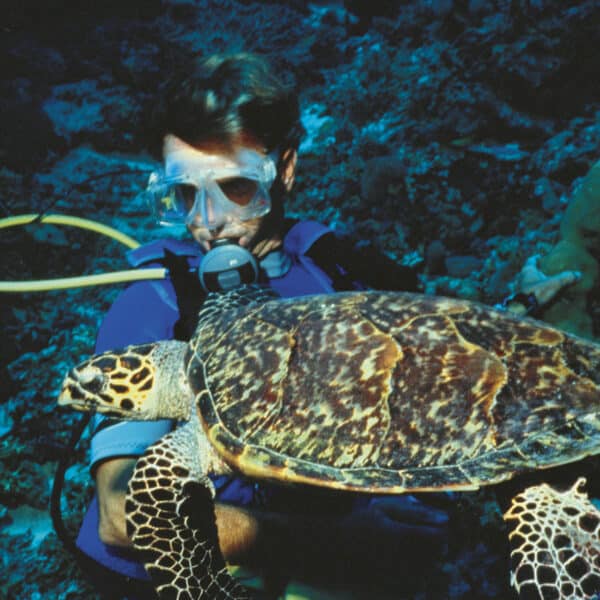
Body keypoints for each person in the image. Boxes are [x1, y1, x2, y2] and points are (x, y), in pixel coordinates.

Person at [75, 52, 449, 599]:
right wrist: (343, 543)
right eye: (184, 195)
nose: (209, 221)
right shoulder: (152, 307)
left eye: (236, 187)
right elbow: (119, 514)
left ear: (286, 169)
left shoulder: (343, 277)